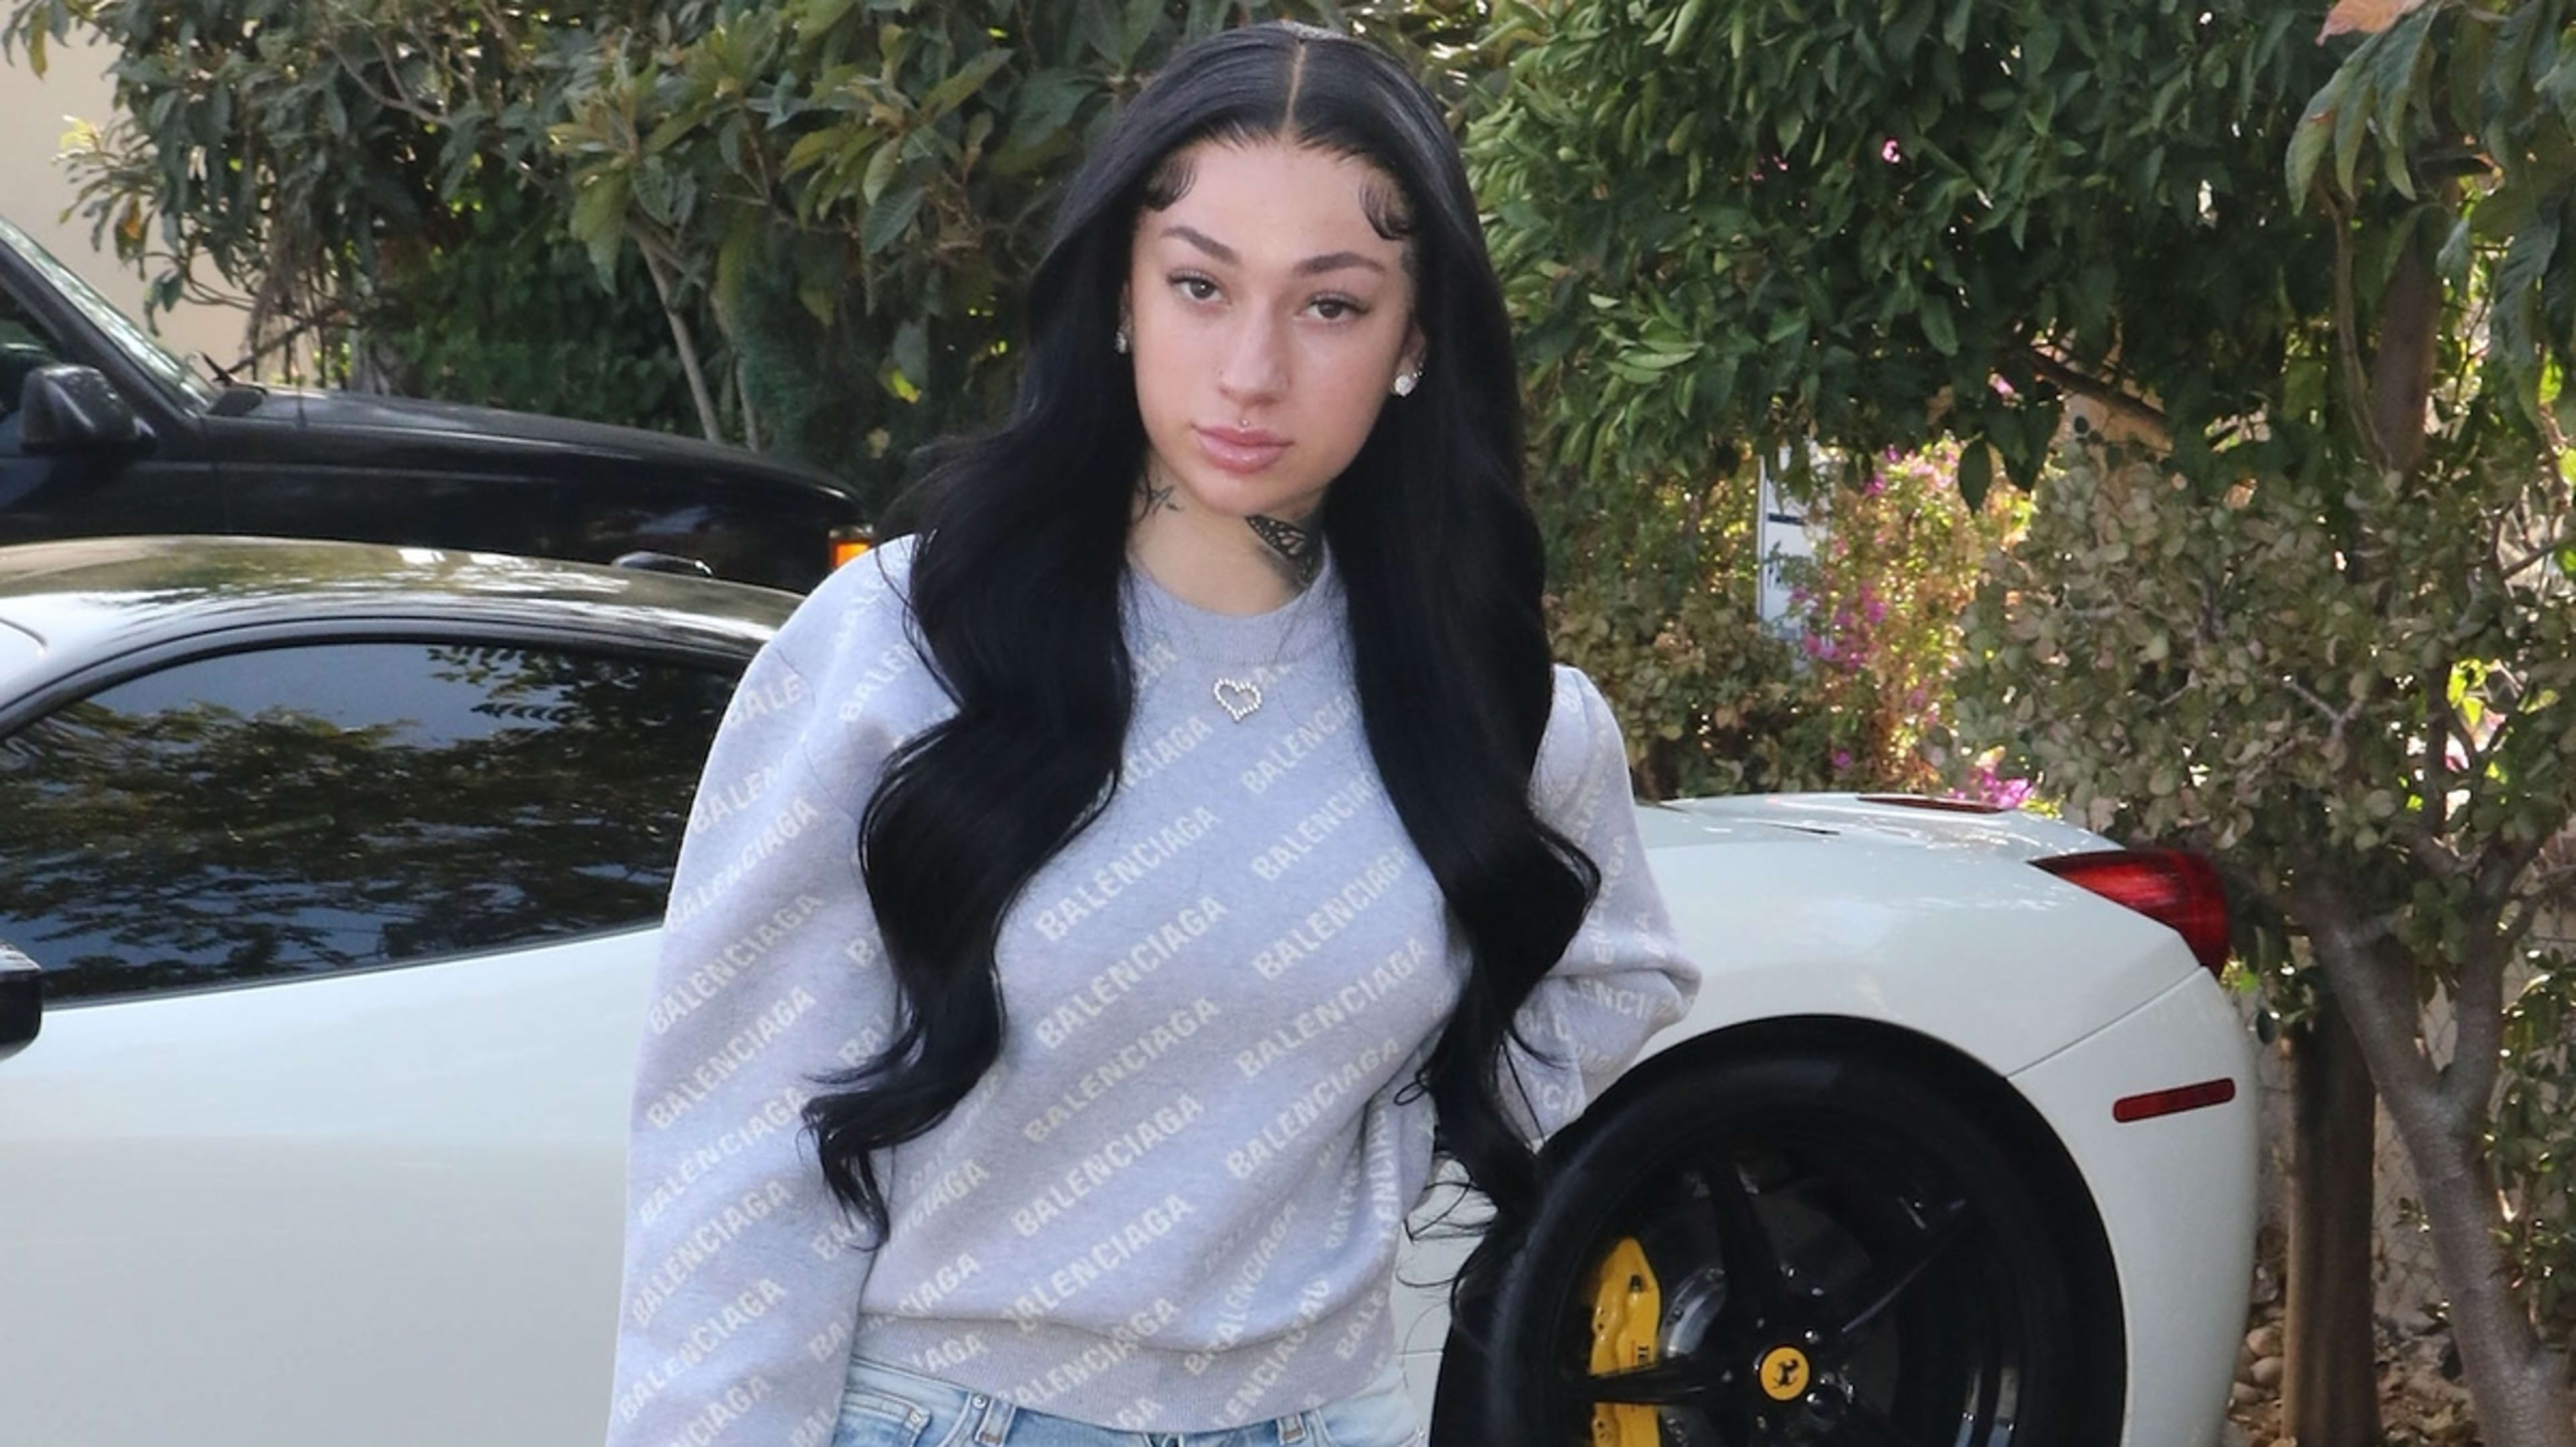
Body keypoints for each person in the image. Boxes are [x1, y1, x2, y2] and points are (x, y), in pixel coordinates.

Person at [603, 21, 1698, 1447]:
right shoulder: (899, 649)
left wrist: (1373, 1156)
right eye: (1199, 284)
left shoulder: (1503, 710)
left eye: (1331, 306)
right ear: (1121, 293)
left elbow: (1613, 978)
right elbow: (741, 1157)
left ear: (1417, 339)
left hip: (1327, 1412)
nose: (1250, 371)